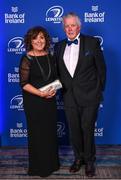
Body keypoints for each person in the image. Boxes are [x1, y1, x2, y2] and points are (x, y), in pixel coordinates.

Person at [54, 12, 106, 177]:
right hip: (69, 97)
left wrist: (98, 91)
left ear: (79, 26)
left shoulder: (92, 43)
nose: (70, 29)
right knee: (74, 130)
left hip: (90, 96)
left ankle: (90, 161)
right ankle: (78, 158)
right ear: (64, 28)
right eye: (66, 26)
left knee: (88, 129)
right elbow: (57, 73)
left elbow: (102, 70)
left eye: (73, 25)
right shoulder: (59, 46)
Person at [19, 26, 60, 177]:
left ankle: (52, 163)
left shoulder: (50, 56)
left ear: (46, 40)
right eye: (35, 38)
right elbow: (24, 84)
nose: (39, 41)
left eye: (41, 37)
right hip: (34, 102)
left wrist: (54, 89)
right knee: (37, 134)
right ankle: (39, 167)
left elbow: (54, 78)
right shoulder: (27, 58)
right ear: (30, 40)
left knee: (49, 133)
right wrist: (41, 94)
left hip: (49, 101)